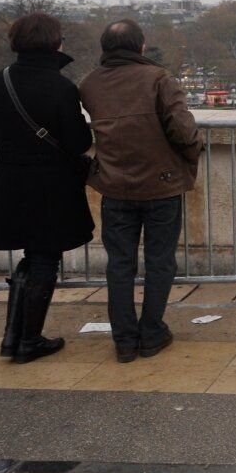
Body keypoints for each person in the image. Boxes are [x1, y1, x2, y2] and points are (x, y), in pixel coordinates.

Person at [79, 20, 202, 363]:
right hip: (160, 184)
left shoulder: (89, 84)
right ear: (141, 47)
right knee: (160, 262)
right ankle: (151, 333)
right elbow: (182, 130)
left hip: (115, 186)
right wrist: (191, 155)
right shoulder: (159, 79)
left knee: (120, 265)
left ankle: (123, 340)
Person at [0, 13, 94, 364]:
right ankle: (28, 340)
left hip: (11, 180)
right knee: (45, 258)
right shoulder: (60, 87)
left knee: (33, 257)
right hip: (49, 183)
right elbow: (77, 142)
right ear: (54, 43)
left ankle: (14, 337)